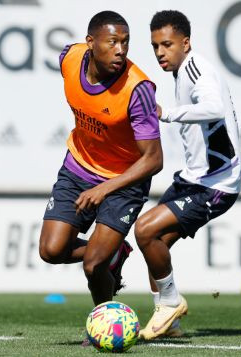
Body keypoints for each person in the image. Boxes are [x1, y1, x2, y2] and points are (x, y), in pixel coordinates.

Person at [39, 11, 163, 307]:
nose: (120, 50)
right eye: (112, 42)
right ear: (91, 43)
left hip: (124, 179)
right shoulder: (69, 58)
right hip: (79, 166)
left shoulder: (138, 90)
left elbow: (154, 160)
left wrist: (104, 189)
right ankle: (116, 252)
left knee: (94, 265)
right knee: (51, 251)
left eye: (126, 42)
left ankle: (104, 320)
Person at [136, 10, 241, 340]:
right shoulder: (181, 71)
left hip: (217, 184)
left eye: (166, 45)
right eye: (155, 46)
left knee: (144, 230)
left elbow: (214, 108)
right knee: (155, 246)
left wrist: (166, 114)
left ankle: (170, 304)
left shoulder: (198, 70)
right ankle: (170, 322)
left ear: (186, 42)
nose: (160, 53)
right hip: (194, 178)